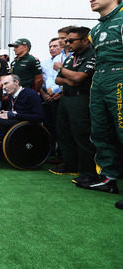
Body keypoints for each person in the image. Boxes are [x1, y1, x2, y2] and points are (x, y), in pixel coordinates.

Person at [77, 0, 123, 194]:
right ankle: (108, 178)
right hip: (100, 81)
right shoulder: (95, 29)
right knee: (100, 131)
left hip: (119, 78)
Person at [49, 27, 97, 185]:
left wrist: (63, 70)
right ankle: (69, 165)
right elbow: (58, 80)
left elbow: (78, 77)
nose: (66, 43)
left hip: (81, 99)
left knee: (82, 136)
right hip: (66, 98)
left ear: (84, 40)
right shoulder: (71, 57)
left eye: (70, 41)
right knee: (64, 134)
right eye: (66, 40)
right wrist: (69, 78)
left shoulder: (91, 53)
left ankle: (88, 173)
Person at [40, 38, 63, 160]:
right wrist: (44, 94)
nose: (52, 48)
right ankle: (50, 152)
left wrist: (60, 94)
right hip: (47, 98)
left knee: (60, 127)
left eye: (55, 46)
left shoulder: (66, 60)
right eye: (50, 46)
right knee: (48, 126)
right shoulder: (44, 63)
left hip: (61, 97)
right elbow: (40, 81)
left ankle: (61, 154)